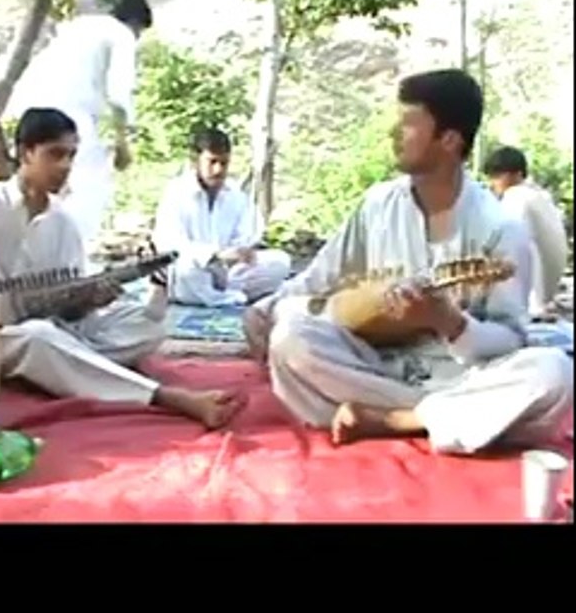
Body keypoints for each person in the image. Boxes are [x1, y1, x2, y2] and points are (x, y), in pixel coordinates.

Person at [243, 69, 572, 454]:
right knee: (291, 337)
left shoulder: (501, 228)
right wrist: (264, 311)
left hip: (461, 376)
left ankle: (395, 420)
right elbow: (320, 277)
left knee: (555, 371)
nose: (394, 134)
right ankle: (456, 421)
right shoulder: (378, 204)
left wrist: (449, 322)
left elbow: (511, 337)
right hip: (374, 364)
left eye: (408, 124)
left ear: (448, 140)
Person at [0, 107, 243, 429]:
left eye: (71, 155)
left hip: (55, 329)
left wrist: (89, 299)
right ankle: (167, 396)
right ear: (25, 152)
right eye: (55, 154)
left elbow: (69, 309)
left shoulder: (64, 222)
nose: (66, 166)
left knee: (147, 326)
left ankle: (67, 367)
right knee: (38, 336)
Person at [3, 0, 154, 247]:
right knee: (88, 187)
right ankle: (74, 252)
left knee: (36, 182)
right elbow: (119, 93)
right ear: (137, 24)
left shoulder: (80, 27)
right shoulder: (121, 34)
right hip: (71, 115)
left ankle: (34, 246)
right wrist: (122, 144)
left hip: (30, 114)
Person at [152, 126, 292, 307]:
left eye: (224, 163)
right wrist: (214, 255)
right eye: (212, 162)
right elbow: (170, 243)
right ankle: (232, 298)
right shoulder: (177, 192)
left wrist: (239, 252)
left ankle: (221, 295)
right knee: (186, 271)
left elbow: (249, 233)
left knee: (280, 261)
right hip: (195, 269)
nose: (218, 170)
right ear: (196, 161)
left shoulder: (235, 194)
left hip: (229, 271)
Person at [483, 145, 568, 318]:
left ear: (518, 174)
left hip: (534, 297)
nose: (494, 183)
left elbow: (514, 244)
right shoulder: (540, 195)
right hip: (549, 286)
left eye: (498, 176)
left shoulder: (515, 197)